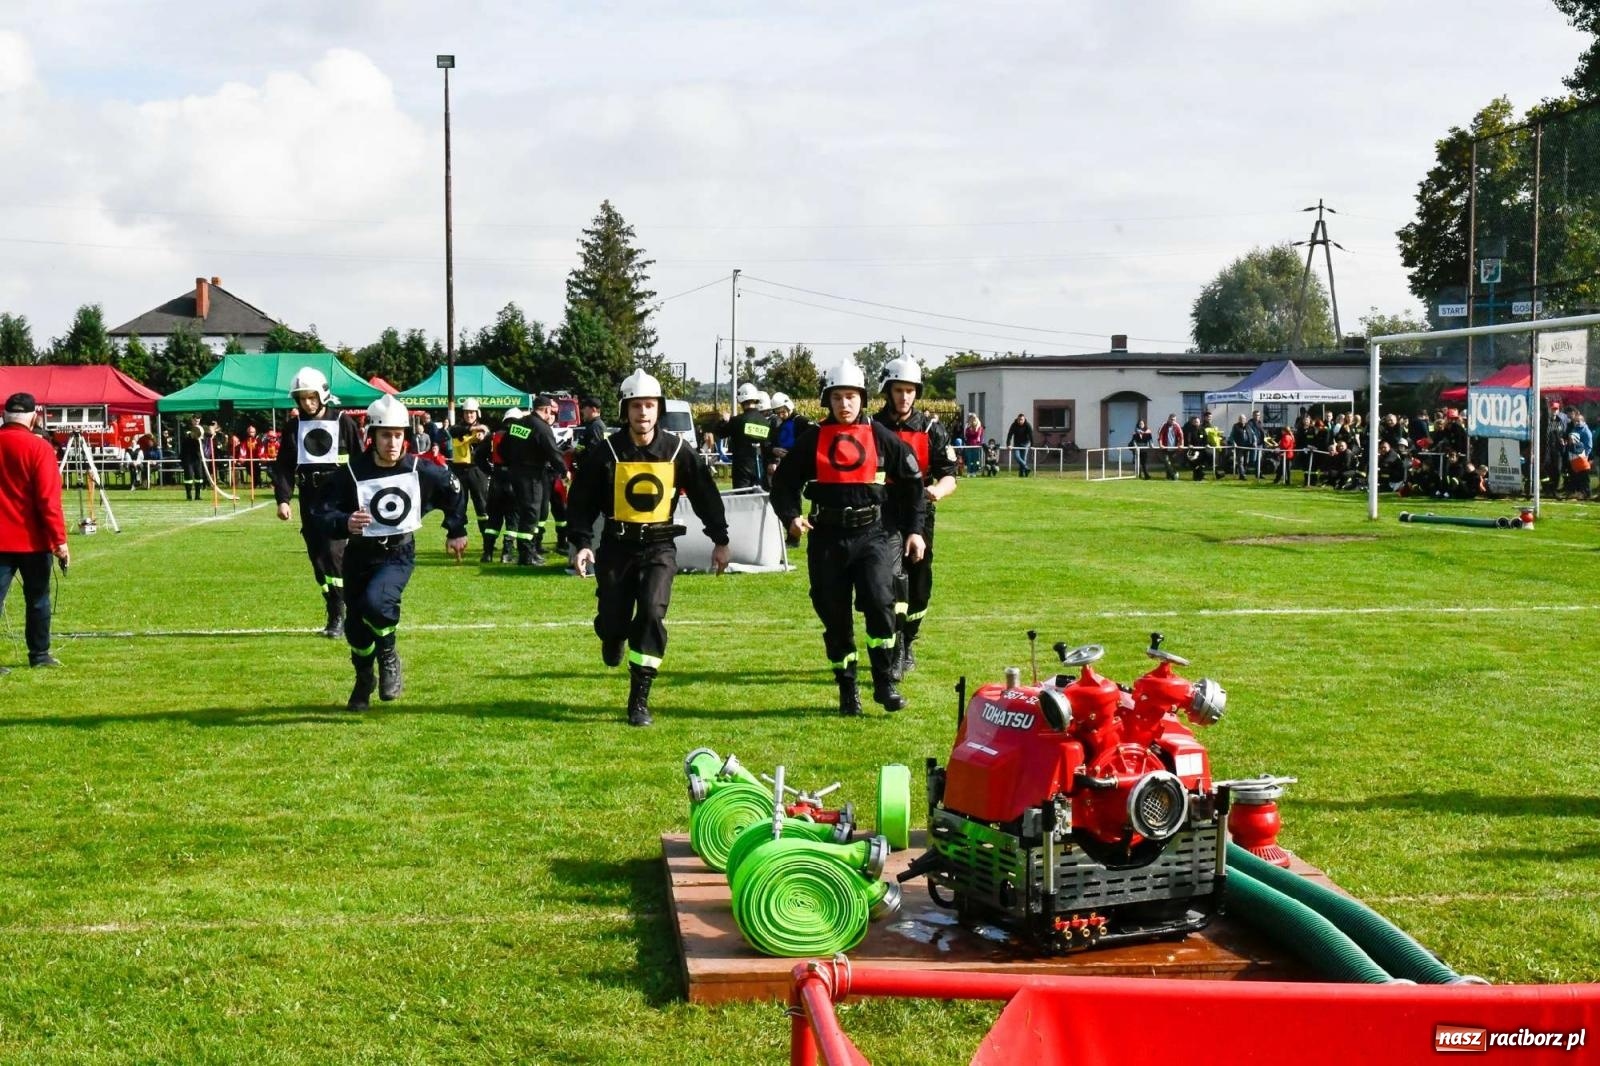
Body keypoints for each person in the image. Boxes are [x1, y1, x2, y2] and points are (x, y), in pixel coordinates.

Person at [567, 370, 730, 727]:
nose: (644, 413)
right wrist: (581, 543)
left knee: (653, 614)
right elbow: (581, 500)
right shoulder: (606, 451)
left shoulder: (676, 450)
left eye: (650, 405)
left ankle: (639, 699)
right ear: (625, 410)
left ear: (659, 409)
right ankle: (610, 635)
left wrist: (720, 539)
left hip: (659, 547)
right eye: (637, 405)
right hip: (616, 547)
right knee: (614, 618)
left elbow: (705, 494)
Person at [771, 361, 927, 716]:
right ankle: (848, 690)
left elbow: (913, 484)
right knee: (835, 617)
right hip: (826, 538)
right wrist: (792, 516)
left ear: (863, 399)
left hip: (872, 535)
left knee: (880, 604)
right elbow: (783, 485)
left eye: (852, 397)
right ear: (828, 400)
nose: (846, 404)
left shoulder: (881, 437)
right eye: (838, 397)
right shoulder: (812, 440)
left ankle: (884, 681)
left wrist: (915, 531)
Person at [315, 394, 467, 711]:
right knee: (356, 630)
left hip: (398, 553)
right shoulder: (352, 473)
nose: (393, 443)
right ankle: (363, 678)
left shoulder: (420, 469)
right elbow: (321, 513)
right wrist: (345, 522)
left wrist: (456, 529)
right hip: (359, 556)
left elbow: (453, 488)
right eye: (386, 435)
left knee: (377, 602)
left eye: (399, 435)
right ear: (372, 436)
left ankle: (389, 655)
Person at [874, 357, 957, 678]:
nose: (905, 397)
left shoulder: (931, 429)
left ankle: (909, 641)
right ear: (888, 391)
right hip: (882, 511)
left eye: (910, 390)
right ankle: (893, 644)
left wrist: (938, 490)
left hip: (920, 512)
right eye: (899, 390)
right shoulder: (873, 427)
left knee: (918, 581)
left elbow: (949, 475)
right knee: (890, 580)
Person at [271, 367, 365, 638]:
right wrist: (283, 500)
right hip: (309, 498)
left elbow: (360, 461)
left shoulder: (344, 422)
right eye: (302, 398)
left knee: (334, 554)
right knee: (319, 560)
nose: (307, 403)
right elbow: (284, 467)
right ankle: (335, 605)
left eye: (311, 397)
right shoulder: (293, 426)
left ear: (322, 395)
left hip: (339, 497)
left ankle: (341, 613)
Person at [0, 393, 69, 672]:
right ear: (33, 417)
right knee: (38, 599)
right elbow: (48, 501)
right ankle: (39, 655)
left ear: (5, 415)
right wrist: (60, 541)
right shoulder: (39, 449)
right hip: (33, 540)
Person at [499, 394, 567, 566]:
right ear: (545, 409)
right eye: (550, 411)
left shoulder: (517, 424)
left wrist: (512, 462)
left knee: (525, 512)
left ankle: (529, 552)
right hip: (532, 475)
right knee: (531, 513)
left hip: (515, 472)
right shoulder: (542, 427)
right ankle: (527, 555)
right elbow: (553, 452)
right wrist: (565, 471)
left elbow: (502, 447)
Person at [448, 398, 494, 557]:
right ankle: (457, 539)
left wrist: (484, 434)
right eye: (467, 412)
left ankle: (488, 543)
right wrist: (474, 430)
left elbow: (489, 446)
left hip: (477, 470)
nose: (469, 415)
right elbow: (454, 431)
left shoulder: (485, 430)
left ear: (477, 413)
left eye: (472, 412)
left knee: (483, 508)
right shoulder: (458, 428)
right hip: (460, 471)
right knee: (459, 505)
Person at [711, 382, 774, 489]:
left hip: (742, 468)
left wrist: (724, 421)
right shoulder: (765, 422)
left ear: (741, 400)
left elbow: (719, 433)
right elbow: (768, 445)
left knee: (742, 499)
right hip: (760, 466)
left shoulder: (738, 421)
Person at [481, 407, 522, 564]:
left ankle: (488, 553)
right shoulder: (521, 434)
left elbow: (478, 456)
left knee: (494, 519)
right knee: (513, 519)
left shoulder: (493, 436)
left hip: (497, 479)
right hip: (514, 479)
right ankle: (507, 553)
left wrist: (490, 471)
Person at [179, 415, 205, 500]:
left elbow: (208, 434)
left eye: (198, 421)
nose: (196, 422)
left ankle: (198, 495)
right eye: (195, 420)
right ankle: (188, 495)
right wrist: (193, 434)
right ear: (192, 420)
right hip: (187, 456)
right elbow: (186, 437)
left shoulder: (201, 429)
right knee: (189, 476)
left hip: (197, 456)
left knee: (199, 476)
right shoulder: (186, 429)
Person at [1005, 413, 1035, 477]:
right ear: (1017, 419)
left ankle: (1021, 474)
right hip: (1017, 444)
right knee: (1017, 457)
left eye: (1021, 419)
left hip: (1025, 443)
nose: (1020, 421)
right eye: (1019, 419)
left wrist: (1032, 445)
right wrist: (1008, 444)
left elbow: (1031, 436)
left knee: (1024, 458)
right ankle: (1026, 468)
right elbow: (1009, 435)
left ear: (1024, 419)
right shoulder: (1014, 425)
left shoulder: (1027, 425)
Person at [1156, 413, 1183, 479]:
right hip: (1165, 448)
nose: (1172, 421)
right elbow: (1160, 435)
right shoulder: (1164, 425)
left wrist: (1181, 444)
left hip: (1174, 448)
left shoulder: (1177, 426)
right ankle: (1174, 474)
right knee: (1167, 461)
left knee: (1171, 463)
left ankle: (1169, 477)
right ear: (1168, 419)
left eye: (1174, 420)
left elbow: (1181, 436)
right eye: (1171, 419)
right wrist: (1160, 444)